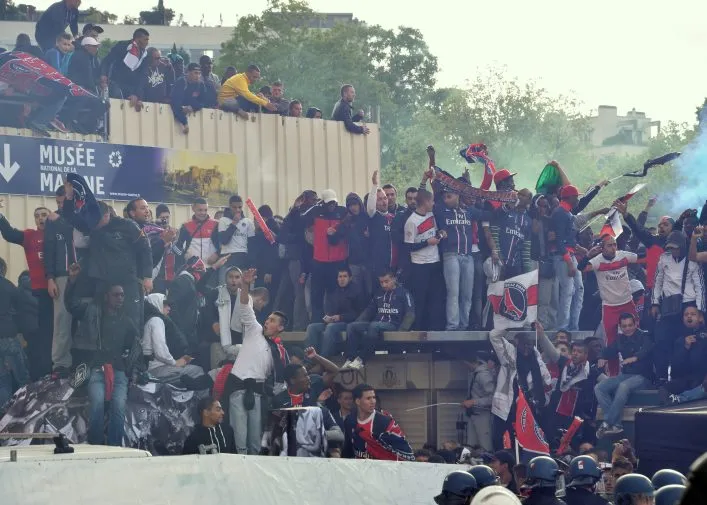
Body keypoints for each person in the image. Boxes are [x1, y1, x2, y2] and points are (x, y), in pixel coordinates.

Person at [65, 263, 140, 446]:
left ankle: (114, 448)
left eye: (122, 295)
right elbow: (72, 305)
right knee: (97, 403)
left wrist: (133, 367)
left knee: (119, 406)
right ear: (107, 296)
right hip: (97, 368)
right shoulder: (93, 311)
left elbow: (135, 346)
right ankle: (96, 446)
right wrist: (72, 281)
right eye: (116, 294)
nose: (120, 298)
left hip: (119, 370)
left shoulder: (127, 321)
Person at [222, 268, 289, 455]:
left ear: (280, 328)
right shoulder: (254, 330)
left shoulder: (277, 352)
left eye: (273, 321)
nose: (267, 322)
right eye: (267, 319)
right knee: (240, 440)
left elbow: (275, 380)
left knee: (255, 443)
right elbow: (244, 306)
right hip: (239, 388)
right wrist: (245, 285)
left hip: (258, 394)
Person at [0, 201, 53, 380]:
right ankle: (42, 376)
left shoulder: (61, 235)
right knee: (43, 337)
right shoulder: (30, 236)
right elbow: (9, 233)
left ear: (51, 216)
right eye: (37, 216)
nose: (40, 218)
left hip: (61, 292)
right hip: (41, 292)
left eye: (44, 215)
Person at [489, 328, 551, 450]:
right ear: (516, 345)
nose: (526, 347)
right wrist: (509, 325)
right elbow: (494, 335)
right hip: (507, 408)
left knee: (525, 443)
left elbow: (547, 383)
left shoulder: (537, 360)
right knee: (501, 441)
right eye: (523, 344)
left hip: (528, 408)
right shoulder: (509, 356)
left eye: (529, 343)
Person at [594, 313, 653, 438]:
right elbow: (608, 350)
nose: (627, 328)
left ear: (636, 324)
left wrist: (634, 358)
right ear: (620, 327)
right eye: (624, 326)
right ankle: (616, 425)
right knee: (599, 387)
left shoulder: (644, 336)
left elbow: (647, 350)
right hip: (626, 374)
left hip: (643, 376)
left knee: (623, 386)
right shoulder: (620, 339)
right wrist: (602, 357)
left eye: (630, 325)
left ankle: (607, 423)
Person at [343, 270, 415, 370]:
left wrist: (401, 332)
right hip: (376, 325)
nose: (384, 285)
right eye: (381, 282)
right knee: (352, 326)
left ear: (394, 279)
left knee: (374, 326)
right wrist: (358, 322)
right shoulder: (378, 293)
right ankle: (349, 359)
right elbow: (369, 310)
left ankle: (361, 360)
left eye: (386, 281)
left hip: (393, 325)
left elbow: (410, 314)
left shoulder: (404, 293)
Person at [303, 266, 365, 357]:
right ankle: (309, 359)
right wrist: (327, 317)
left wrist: (341, 317)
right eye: (340, 277)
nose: (342, 279)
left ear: (350, 278)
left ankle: (323, 359)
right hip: (332, 321)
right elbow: (328, 310)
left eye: (345, 276)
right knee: (312, 327)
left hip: (347, 323)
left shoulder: (357, 291)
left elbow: (359, 314)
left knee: (331, 328)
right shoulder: (333, 291)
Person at [342, 383, 414, 461]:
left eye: (374, 397)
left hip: (386, 469)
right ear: (358, 401)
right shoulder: (350, 420)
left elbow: (408, 454)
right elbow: (347, 450)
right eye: (368, 398)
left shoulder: (384, 422)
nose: (373, 401)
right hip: (361, 469)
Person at [551, 184, 585, 331]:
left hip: (570, 254)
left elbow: (567, 238)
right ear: (570, 197)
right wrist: (569, 262)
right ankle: (563, 328)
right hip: (562, 256)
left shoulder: (567, 213)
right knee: (568, 290)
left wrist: (578, 248)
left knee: (579, 289)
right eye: (576, 196)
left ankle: (573, 326)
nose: (578, 199)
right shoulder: (560, 213)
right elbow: (559, 240)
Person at [0, 257, 32, 408]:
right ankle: (22, 415)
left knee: (2, 381)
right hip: (8, 337)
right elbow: (20, 311)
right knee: (22, 378)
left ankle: (3, 420)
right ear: (3, 270)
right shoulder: (9, 286)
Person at [100, 29, 150, 104]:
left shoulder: (145, 54)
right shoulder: (123, 45)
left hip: (132, 88)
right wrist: (103, 74)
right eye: (145, 39)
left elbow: (143, 75)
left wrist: (137, 94)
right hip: (116, 84)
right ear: (137, 39)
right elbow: (107, 60)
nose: (147, 43)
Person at [462, 351, 497, 451]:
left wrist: (473, 402)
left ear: (474, 362)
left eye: (466, 364)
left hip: (483, 416)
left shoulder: (484, 375)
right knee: (470, 446)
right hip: (473, 415)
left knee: (485, 445)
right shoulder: (474, 374)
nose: (466, 367)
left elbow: (492, 398)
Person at [170, 63, 212, 134]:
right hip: (178, 115)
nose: (198, 76)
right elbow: (175, 103)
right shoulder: (181, 83)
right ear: (188, 73)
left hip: (192, 113)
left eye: (199, 73)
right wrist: (184, 123)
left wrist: (193, 107)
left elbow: (204, 102)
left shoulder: (201, 85)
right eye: (195, 73)